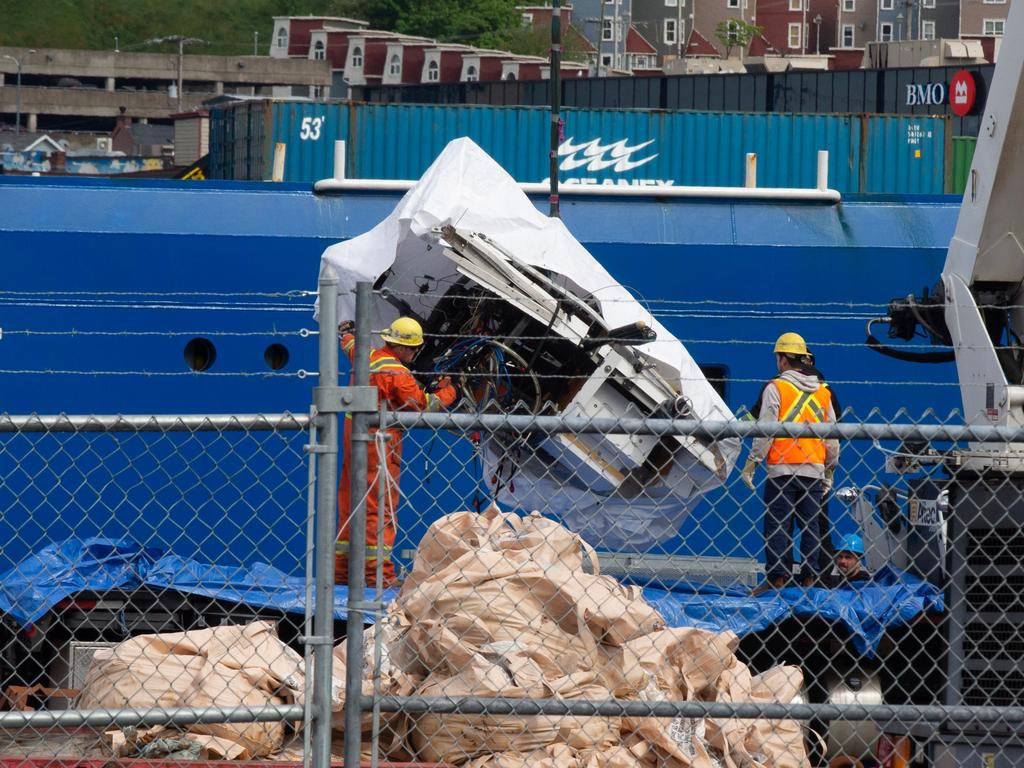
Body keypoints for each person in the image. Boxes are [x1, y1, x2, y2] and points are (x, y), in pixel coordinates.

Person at [336, 316, 457, 588]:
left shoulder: (367, 354)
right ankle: (378, 576)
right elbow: (424, 406)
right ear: (402, 347)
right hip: (379, 441)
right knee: (380, 509)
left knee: (349, 504)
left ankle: (341, 574)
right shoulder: (398, 374)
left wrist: (345, 333)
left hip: (351, 432)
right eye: (413, 349)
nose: (415, 354)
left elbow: (349, 344)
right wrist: (448, 391)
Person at [743, 332, 839, 594]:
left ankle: (777, 580)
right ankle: (809, 580)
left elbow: (766, 430)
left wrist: (753, 461)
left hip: (781, 470)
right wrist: (830, 468)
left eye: (778, 357)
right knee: (810, 527)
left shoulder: (776, 387)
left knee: (777, 525)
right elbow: (832, 435)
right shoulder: (823, 392)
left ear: (783, 359)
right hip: (813, 471)